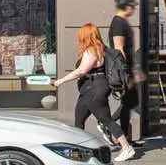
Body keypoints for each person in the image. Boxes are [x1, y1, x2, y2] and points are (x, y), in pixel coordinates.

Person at [53, 23, 136, 163]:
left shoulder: (92, 50)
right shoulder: (101, 49)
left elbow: (81, 71)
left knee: (106, 120)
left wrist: (60, 81)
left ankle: (127, 147)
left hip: (94, 89)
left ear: (85, 36)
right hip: (89, 89)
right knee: (79, 120)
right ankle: (78, 152)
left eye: (81, 35)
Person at [109, 0, 146, 145]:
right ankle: (108, 124)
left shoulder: (122, 21)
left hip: (128, 70)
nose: (134, 9)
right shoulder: (118, 23)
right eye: (133, 6)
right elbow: (119, 49)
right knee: (128, 103)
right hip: (124, 71)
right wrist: (127, 74)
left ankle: (125, 137)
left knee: (129, 103)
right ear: (127, 6)